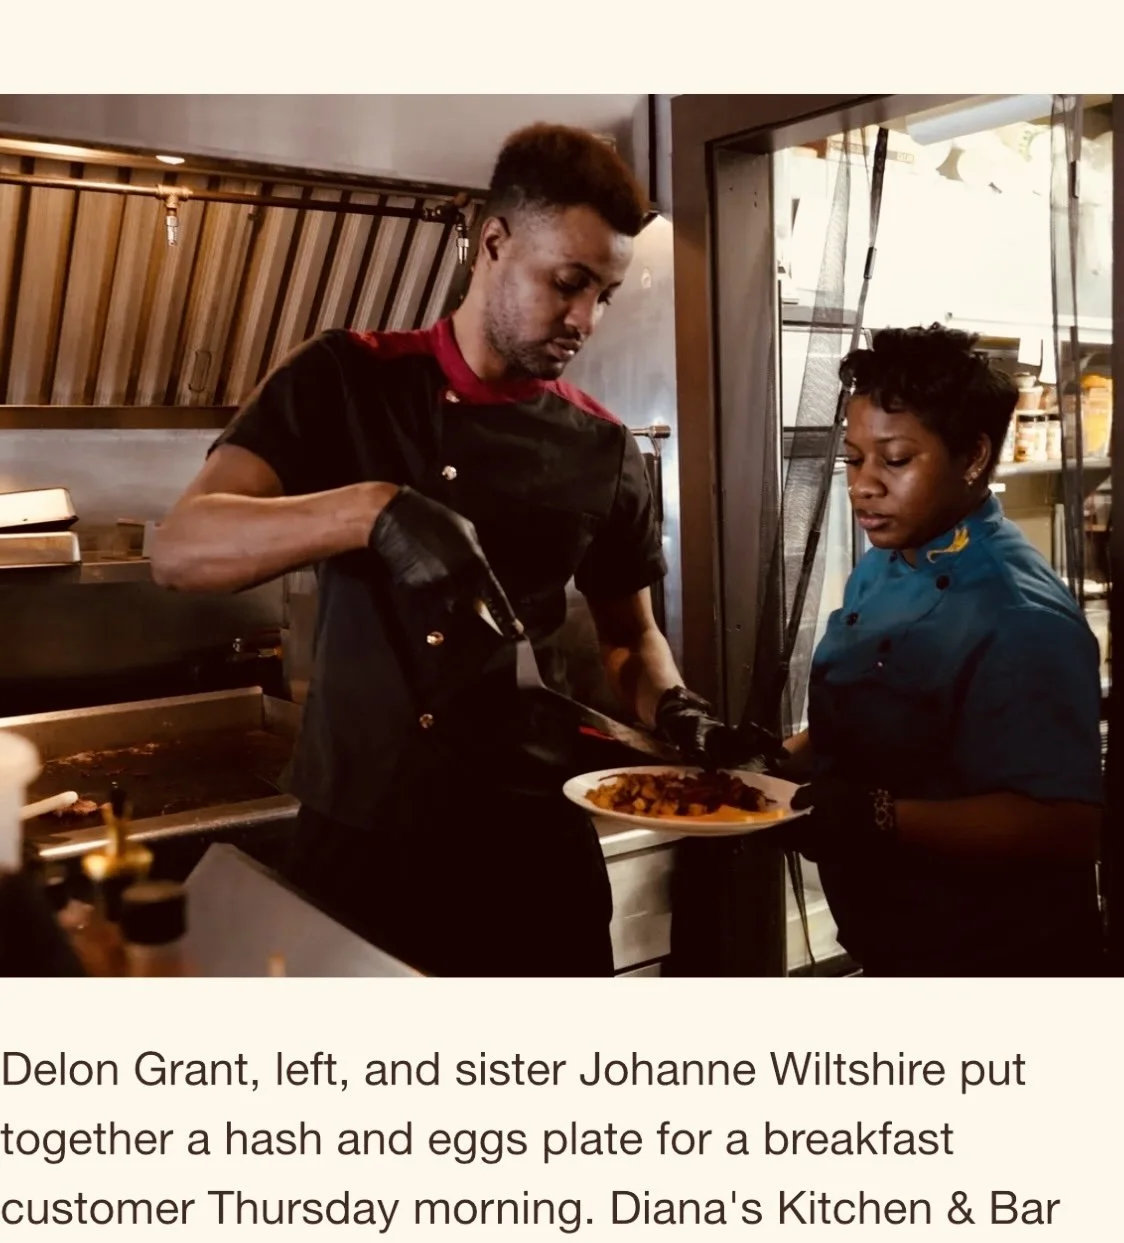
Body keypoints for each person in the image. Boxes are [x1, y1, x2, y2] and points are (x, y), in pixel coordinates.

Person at [152, 124, 765, 977]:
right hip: (359, 845)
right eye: (568, 283)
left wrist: (677, 708)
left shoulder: (603, 448)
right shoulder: (345, 379)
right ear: (493, 243)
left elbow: (630, 637)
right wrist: (372, 511)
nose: (586, 320)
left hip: (530, 853)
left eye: (605, 295)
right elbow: (180, 549)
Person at [786, 325, 1105, 977]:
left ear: (973, 456)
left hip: (997, 963)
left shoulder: (1018, 613)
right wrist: (771, 761)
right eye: (853, 459)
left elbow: (1068, 823)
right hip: (893, 944)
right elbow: (884, 709)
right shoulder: (885, 562)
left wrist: (877, 816)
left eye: (895, 460)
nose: (863, 486)